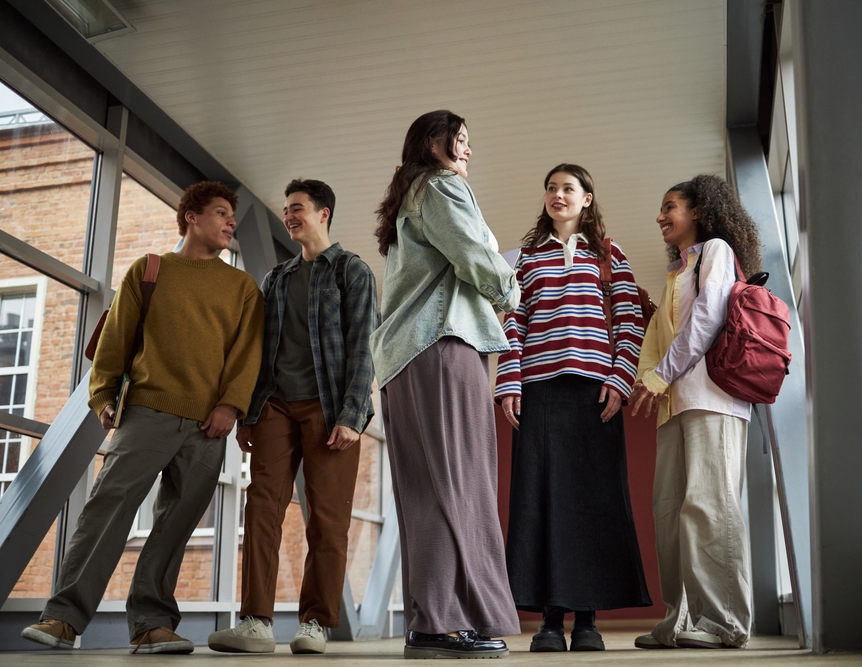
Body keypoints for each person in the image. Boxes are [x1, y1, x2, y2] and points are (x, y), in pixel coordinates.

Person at [21, 182, 264, 653]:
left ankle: (152, 624)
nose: (230, 222)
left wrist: (230, 405)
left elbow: (247, 353)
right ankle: (63, 619)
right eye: (220, 212)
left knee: (177, 525)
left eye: (233, 215)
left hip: (208, 426)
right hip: (147, 413)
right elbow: (113, 342)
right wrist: (102, 396)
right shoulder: (148, 270)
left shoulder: (243, 288)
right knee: (106, 508)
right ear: (191, 217)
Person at [370, 110, 521, 659]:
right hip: (442, 345)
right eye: (461, 141)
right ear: (434, 144)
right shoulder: (441, 188)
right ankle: (443, 621)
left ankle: (434, 619)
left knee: (425, 488)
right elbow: (475, 257)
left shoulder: (410, 195)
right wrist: (513, 292)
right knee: (459, 480)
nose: (468, 153)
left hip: (404, 356)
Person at [207, 179, 378, 654]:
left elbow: (364, 346)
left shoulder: (352, 271)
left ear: (324, 213)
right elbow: (260, 352)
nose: (289, 215)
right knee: (261, 508)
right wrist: (249, 412)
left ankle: (316, 623)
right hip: (276, 407)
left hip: (330, 412)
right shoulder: (277, 279)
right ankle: (256, 622)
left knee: (327, 521)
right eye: (286, 209)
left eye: (297, 208)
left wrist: (352, 414)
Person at [495, 164, 651, 652]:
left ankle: (587, 621)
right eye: (550, 188)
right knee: (539, 502)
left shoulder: (610, 255)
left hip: (595, 394)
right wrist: (509, 381)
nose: (557, 195)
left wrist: (621, 380)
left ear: (587, 199)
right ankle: (548, 621)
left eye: (568, 188)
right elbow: (512, 324)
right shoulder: (524, 260)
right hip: (538, 393)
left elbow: (629, 322)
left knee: (591, 504)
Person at [630, 174, 762, 650]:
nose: (661, 216)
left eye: (670, 207)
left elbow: (707, 318)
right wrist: (649, 381)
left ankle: (723, 621)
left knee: (709, 506)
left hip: (713, 398)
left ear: (699, 212)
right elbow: (657, 340)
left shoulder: (717, 251)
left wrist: (660, 376)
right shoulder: (676, 272)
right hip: (674, 405)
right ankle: (679, 621)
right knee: (669, 512)